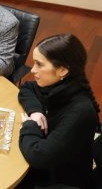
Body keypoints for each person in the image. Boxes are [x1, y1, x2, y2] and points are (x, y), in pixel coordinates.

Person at [17, 34, 100, 188]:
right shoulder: (58, 84)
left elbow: (39, 156)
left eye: (39, 64)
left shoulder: (80, 112)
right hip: (49, 162)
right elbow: (27, 88)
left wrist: (29, 125)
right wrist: (36, 112)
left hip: (60, 179)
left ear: (62, 70)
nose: (33, 70)